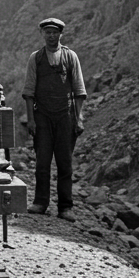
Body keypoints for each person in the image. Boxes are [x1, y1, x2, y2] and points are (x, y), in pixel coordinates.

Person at [21, 17, 86, 221]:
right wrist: (31, 119)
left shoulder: (70, 56)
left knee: (65, 163)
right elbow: (29, 91)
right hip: (42, 116)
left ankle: (66, 207)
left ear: (60, 34)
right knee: (42, 162)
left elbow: (79, 90)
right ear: (42, 34)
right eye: (47, 32)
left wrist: (79, 117)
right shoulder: (36, 58)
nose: (51, 36)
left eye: (54, 32)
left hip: (66, 115)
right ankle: (40, 202)